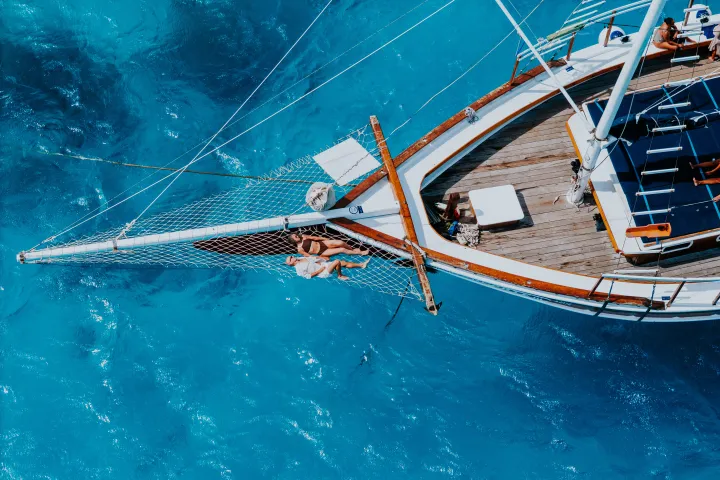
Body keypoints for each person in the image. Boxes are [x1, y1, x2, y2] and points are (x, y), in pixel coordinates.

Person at [285, 255, 370, 281]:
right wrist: (320, 270)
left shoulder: (299, 258)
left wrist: (321, 258)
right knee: (337, 261)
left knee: (343, 262)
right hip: (323, 272)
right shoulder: (298, 269)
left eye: (291, 256)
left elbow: (311, 258)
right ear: (290, 263)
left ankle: (361, 265)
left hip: (323, 264)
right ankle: (339, 276)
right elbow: (308, 276)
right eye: (290, 258)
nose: (292, 257)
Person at [288, 232, 368, 258]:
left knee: (340, 242)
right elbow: (309, 256)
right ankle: (360, 253)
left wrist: (325, 239)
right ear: (293, 241)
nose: (297, 236)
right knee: (342, 250)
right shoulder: (299, 249)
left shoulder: (303, 237)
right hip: (322, 251)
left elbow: (315, 238)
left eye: (296, 235)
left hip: (322, 243)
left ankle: (352, 250)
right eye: (295, 237)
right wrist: (321, 258)